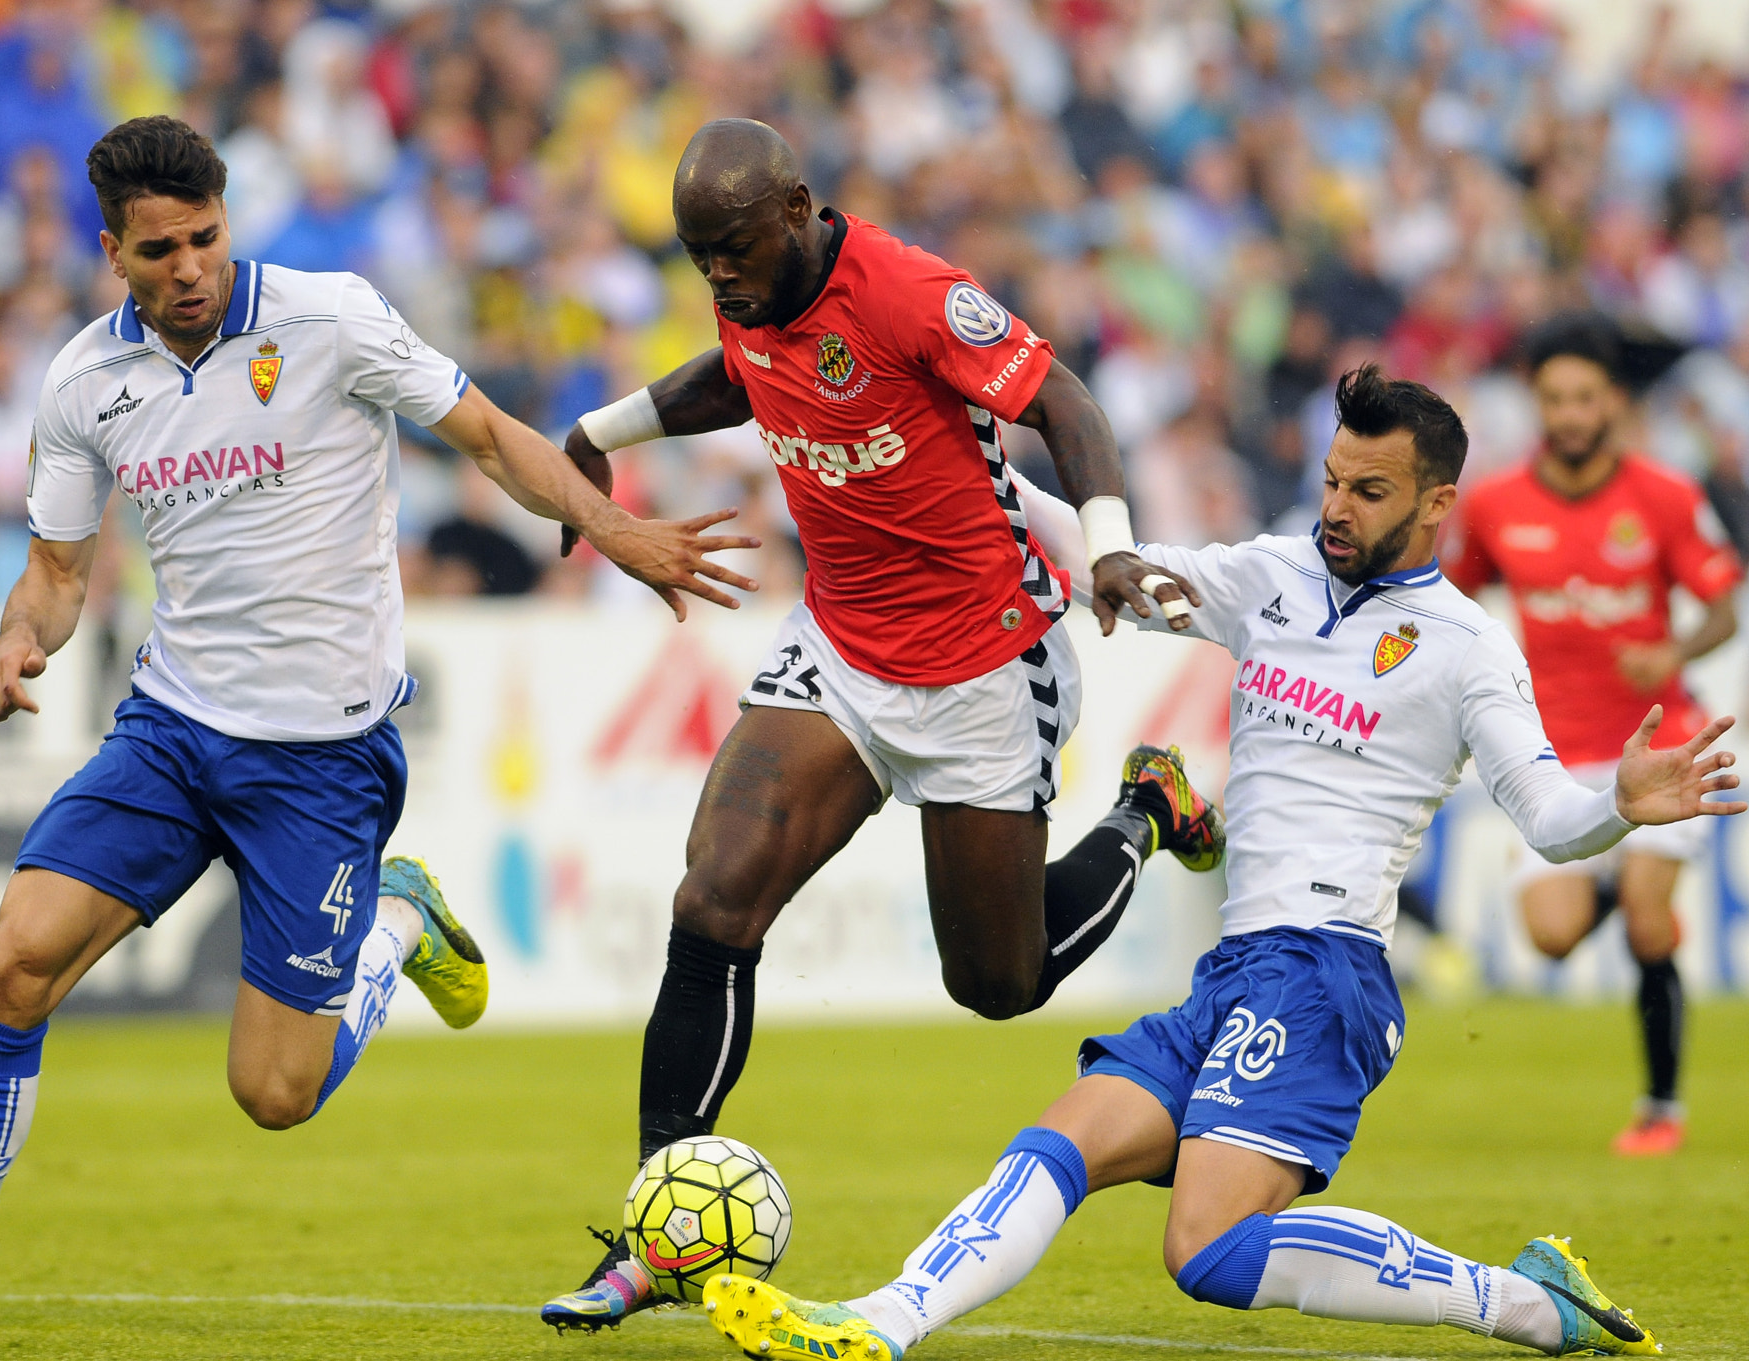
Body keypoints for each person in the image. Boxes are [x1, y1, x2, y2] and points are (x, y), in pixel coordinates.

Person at [0, 115, 756, 1351]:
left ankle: (399, 914)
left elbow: (488, 437)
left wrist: (615, 528)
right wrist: (17, 640)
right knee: (8, 966)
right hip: (171, 729)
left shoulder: (332, 319)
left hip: (319, 760)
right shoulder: (82, 385)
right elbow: (57, 572)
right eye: (160, 250)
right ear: (114, 253)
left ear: (227, 223)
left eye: (206, 237)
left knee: (272, 1093)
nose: (190, 266)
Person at [700, 366, 1741, 1361]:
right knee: (1059, 1141)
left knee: (1202, 1250)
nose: (1335, 507)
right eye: (1330, 480)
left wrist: (1618, 800)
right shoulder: (1271, 578)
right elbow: (1114, 561)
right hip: (1238, 968)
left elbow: (1549, 816)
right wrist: (964, 460)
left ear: (1434, 505)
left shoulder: (1468, 647)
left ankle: (1522, 1300)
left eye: (1367, 492)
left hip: (1326, 970)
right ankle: (876, 1319)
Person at [542, 118, 1222, 1332]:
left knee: (998, 983)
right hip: (843, 649)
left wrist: (1110, 544)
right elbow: (736, 373)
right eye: (698, 256)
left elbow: (1061, 399)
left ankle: (1144, 809)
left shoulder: (910, 293)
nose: (717, 276)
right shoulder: (744, 289)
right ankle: (656, 1228)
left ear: (797, 206)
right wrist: (600, 433)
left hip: (981, 665)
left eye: (734, 248)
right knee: (713, 899)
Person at [1446, 312, 1740, 1158]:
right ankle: (1616, 879)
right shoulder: (1499, 504)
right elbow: (1452, 596)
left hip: (1658, 744)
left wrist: (1674, 649)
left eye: (1584, 397)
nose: (1570, 414)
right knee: (1551, 932)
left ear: (1611, 400)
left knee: (1651, 922)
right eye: (1554, 399)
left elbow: (1723, 607)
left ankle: (1660, 1107)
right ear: (1536, 404)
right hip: (1558, 753)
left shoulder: (1665, 496)